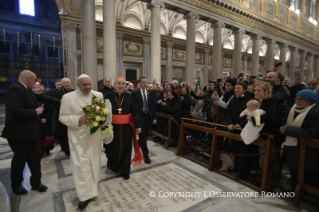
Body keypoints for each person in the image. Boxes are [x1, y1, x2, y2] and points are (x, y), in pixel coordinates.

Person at [1, 70, 59, 195]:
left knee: (35, 159)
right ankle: (16, 185)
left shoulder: (26, 90)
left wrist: (61, 99)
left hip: (31, 133)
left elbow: (42, 97)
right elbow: (15, 111)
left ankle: (36, 183)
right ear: (28, 78)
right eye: (33, 80)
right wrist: (35, 112)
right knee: (20, 160)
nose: (35, 83)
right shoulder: (15, 89)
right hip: (19, 134)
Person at [59, 74, 107, 210]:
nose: (87, 87)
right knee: (81, 166)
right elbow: (62, 117)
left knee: (94, 163)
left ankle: (92, 190)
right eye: (84, 85)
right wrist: (78, 120)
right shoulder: (68, 98)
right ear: (78, 85)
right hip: (78, 137)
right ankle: (83, 196)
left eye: (89, 84)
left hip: (94, 136)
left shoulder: (98, 95)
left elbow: (102, 113)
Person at [104, 76, 142, 181]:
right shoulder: (107, 96)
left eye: (123, 84)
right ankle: (113, 165)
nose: (121, 86)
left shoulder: (129, 96)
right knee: (111, 148)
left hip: (126, 127)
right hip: (112, 127)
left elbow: (134, 111)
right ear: (114, 85)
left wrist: (138, 125)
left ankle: (125, 170)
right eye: (119, 83)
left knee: (126, 148)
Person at [280, 90, 319, 190]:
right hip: (292, 145)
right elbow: (284, 120)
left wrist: (289, 130)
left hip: (307, 149)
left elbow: (313, 132)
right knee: (293, 168)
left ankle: (302, 190)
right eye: (296, 98)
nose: (297, 101)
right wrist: (282, 127)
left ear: (310, 101)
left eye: (301, 99)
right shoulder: (292, 109)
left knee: (305, 171)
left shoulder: (315, 112)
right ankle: (294, 187)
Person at [225, 82, 252, 179]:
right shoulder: (233, 100)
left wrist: (240, 124)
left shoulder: (249, 100)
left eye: (239, 88)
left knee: (243, 151)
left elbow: (250, 115)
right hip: (233, 129)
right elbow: (227, 113)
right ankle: (235, 168)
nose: (236, 89)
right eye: (235, 88)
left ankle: (242, 172)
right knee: (235, 149)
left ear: (244, 90)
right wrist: (230, 123)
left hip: (244, 129)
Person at [132, 76, 156, 164]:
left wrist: (154, 117)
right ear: (139, 83)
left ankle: (138, 144)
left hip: (148, 117)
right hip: (139, 117)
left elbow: (152, 106)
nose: (145, 84)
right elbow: (133, 107)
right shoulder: (135, 93)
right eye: (143, 82)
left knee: (145, 136)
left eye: (146, 82)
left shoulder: (150, 92)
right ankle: (146, 156)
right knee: (143, 137)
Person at [53, 78, 75, 156]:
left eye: (68, 82)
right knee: (63, 133)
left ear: (70, 83)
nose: (66, 84)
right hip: (62, 116)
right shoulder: (58, 93)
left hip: (73, 116)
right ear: (62, 84)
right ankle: (66, 149)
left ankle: (73, 148)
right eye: (65, 83)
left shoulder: (74, 91)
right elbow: (55, 105)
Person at [32, 85, 54, 157]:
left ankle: (44, 151)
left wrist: (46, 118)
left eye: (38, 91)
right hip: (33, 122)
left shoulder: (45, 99)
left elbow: (50, 109)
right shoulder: (29, 99)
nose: (36, 93)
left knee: (43, 137)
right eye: (34, 92)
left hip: (44, 121)